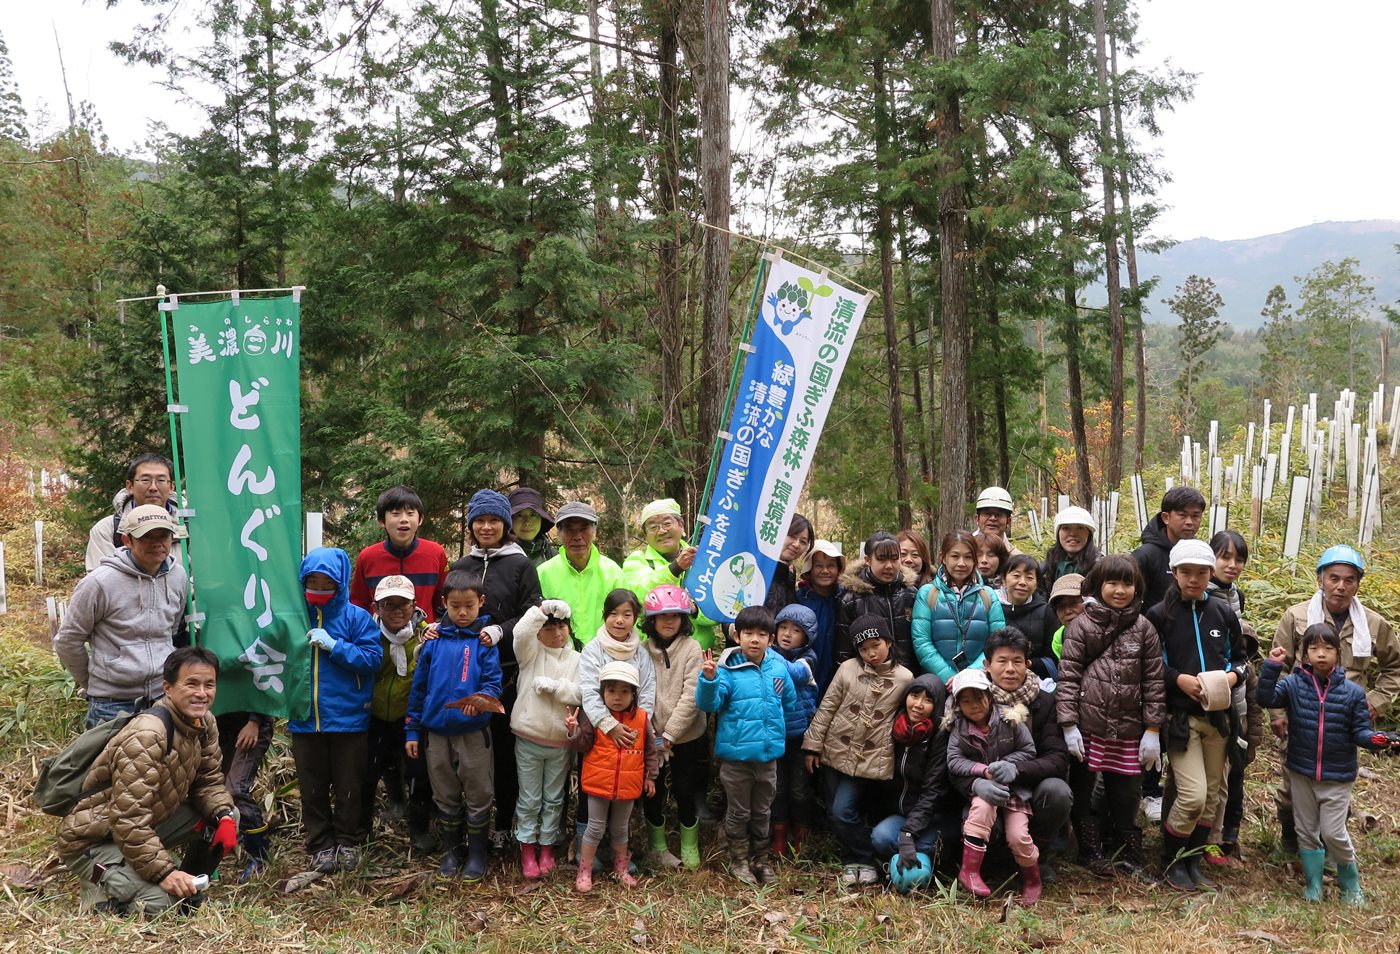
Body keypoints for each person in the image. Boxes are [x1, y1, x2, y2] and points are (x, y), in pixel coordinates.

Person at [56, 646, 237, 916]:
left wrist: (223, 816)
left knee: (227, 815)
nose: (202, 693)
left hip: (141, 826)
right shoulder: (147, 736)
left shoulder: (204, 723)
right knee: (161, 906)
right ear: (168, 687)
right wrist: (163, 872)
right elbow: (128, 817)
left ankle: (189, 884)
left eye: (209, 684)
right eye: (191, 684)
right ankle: (101, 891)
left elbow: (208, 781)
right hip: (94, 838)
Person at [1268, 544, 1400, 854]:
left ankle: (1327, 848)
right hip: (1302, 717)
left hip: (1344, 722)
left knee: (1335, 786)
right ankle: (1291, 842)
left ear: (1358, 584)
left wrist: (1374, 702)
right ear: (1320, 580)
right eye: (1333, 578)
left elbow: (1394, 667)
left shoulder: (1373, 624)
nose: (1341, 586)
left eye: (1349, 579)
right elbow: (1278, 667)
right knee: (1293, 786)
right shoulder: (1297, 617)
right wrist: (1277, 713)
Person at [1257, 627, 1394, 904]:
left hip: (1338, 775)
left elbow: (1360, 732)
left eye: (1328, 649)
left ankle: (1351, 884)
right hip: (1301, 771)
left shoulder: (1353, 693)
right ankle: (1314, 884)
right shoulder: (1294, 685)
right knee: (1306, 831)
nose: (1321, 654)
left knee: (1334, 833)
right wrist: (1272, 665)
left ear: (1338, 654)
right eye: (1314, 648)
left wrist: (1378, 739)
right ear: (1304, 654)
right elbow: (1265, 698)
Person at [1056, 556, 1165, 878]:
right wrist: (1069, 724)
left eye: (1127, 584)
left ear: (1137, 588)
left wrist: (1153, 729)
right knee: (1085, 788)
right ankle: (1090, 850)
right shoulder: (1081, 626)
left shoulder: (1144, 628)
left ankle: (1128, 852)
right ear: (1098, 586)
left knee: (1127, 791)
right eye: (1112, 583)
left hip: (1130, 727)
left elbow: (1154, 681)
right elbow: (1069, 676)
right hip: (1089, 725)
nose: (1120, 590)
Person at [1147, 539, 1246, 891]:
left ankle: (1191, 862)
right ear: (1173, 573)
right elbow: (1149, 663)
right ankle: (1171, 860)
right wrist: (1178, 679)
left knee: (1214, 793)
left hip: (1219, 719)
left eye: (1201, 572)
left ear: (1210, 573)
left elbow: (1241, 658)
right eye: (1186, 572)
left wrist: (1233, 677)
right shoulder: (1159, 615)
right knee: (1193, 794)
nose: (1194, 579)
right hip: (1180, 718)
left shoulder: (1222, 612)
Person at [449, 488, 542, 850]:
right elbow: (452, 609)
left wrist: (500, 629)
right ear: (471, 524)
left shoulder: (520, 565)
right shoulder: (462, 566)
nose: (487, 527)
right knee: (465, 751)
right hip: (464, 673)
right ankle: (466, 828)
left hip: (507, 673)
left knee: (504, 752)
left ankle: (504, 824)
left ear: (506, 524)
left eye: (494, 520)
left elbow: (534, 612)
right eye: (480, 520)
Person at [803, 614, 913, 887]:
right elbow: (828, 705)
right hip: (834, 748)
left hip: (867, 757)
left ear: (888, 641)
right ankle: (851, 859)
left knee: (843, 810)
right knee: (833, 810)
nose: (871, 653)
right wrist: (813, 745)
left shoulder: (904, 677)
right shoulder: (849, 668)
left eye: (876, 645)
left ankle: (865, 857)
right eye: (863, 649)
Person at [290, 547, 382, 873]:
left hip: (348, 718)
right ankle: (320, 844)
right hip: (304, 718)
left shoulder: (356, 618)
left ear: (340, 581)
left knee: (348, 786)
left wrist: (335, 646)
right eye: (311, 580)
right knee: (312, 787)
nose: (318, 587)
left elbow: (372, 659)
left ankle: (348, 841)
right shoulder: (294, 615)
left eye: (326, 582)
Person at [56, 505, 189, 729]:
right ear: (127, 540)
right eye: (147, 536)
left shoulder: (178, 576)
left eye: (163, 534)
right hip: (111, 705)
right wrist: (93, 683)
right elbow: (68, 639)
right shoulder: (99, 583)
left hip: (162, 699)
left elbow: (172, 629)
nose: (157, 542)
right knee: (111, 765)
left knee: (163, 765)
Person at [406, 573, 502, 880]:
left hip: (472, 732)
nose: (462, 613)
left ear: (480, 603)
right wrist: (412, 729)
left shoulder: (484, 642)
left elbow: (492, 683)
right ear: (444, 603)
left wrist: (482, 701)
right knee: (444, 792)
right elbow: (418, 688)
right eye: (456, 606)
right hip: (436, 732)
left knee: (478, 791)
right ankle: (451, 850)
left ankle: (476, 853)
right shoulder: (433, 642)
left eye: (469, 606)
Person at [697, 606, 799, 885]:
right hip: (736, 757)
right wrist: (708, 680)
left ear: (772, 638)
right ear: (736, 635)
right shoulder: (727, 669)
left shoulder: (778, 668)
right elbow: (710, 704)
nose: (755, 639)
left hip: (767, 756)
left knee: (763, 810)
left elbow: (789, 703)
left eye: (762, 634)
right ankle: (739, 860)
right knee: (739, 811)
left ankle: (761, 861)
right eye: (748, 633)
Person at [945, 668, 1042, 906]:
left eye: (979, 697)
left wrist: (1009, 765)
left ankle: (1032, 880)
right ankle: (970, 871)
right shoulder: (959, 729)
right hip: (983, 789)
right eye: (966, 701)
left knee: (1018, 835)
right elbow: (954, 760)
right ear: (958, 705)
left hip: (1013, 791)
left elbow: (1029, 750)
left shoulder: (1010, 719)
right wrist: (982, 772)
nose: (974, 705)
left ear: (989, 696)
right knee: (980, 810)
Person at [982, 630, 1072, 879]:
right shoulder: (973, 699)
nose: (1010, 669)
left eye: (1017, 661)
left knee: (1057, 791)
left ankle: (1039, 855)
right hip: (985, 785)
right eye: (1002, 661)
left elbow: (1057, 757)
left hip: (1030, 786)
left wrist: (1017, 771)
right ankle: (992, 858)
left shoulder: (1044, 702)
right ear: (987, 665)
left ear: (1028, 664)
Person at [566, 661, 659, 892]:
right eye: (611, 691)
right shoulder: (597, 719)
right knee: (595, 827)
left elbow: (650, 751)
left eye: (624, 691)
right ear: (603, 693)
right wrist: (573, 731)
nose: (617, 697)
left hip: (628, 784)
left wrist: (650, 776)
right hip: (599, 783)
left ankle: (621, 869)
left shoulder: (641, 719)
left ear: (633, 694)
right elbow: (583, 745)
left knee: (620, 828)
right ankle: (585, 870)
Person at [361, 574, 435, 853]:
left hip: (412, 719)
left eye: (402, 604)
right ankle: (362, 831)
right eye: (388, 605)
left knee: (417, 774)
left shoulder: (427, 635)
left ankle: (419, 829)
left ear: (414, 605)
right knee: (368, 772)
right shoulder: (366, 634)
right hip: (375, 715)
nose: (396, 611)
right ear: (376, 608)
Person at [1203, 530, 1263, 867]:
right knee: (1213, 778)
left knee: (1234, 772)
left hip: (1237, 695)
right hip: (1209, 698)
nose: (1232, 565)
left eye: (1239, 559)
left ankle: (1228, 838)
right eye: (1225, 557)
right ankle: (1205, 840)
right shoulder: (1201, 595)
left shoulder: (1234, 595)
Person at [511, 600, 581, 879]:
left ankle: (547, 849)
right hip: (529, 737)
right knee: (529, 798)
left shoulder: (577, 659)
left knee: (554, 799)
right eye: (549, 628)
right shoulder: (530, 654)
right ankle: (527, 850)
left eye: (561, 626)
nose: (556, 634)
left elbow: (581, 694)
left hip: (560, 742)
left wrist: (556, 688)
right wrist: (540, 612)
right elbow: (520, 634)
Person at [639, 585, 706, 870]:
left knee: (685, 789)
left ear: (684, 619)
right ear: (651, 620)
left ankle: (689, 844)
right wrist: (653, 733)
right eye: (662, 615)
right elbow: (640, 691)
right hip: (651, 735)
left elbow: (692, 695)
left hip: (687, 735)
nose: (668, 621)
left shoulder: (692, 649)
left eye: (675, 615)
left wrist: (670, 734)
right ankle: (657, 845)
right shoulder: (642, 651)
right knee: (652, 790)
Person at [871, 674, 950, 890]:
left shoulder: (941, 735)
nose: (918, 705)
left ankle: (922, 867)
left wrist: (907, 834)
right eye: (914, 696)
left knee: (923, 844)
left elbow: (932, 792)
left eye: (928, 700)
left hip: (934, 816)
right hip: (902, 812)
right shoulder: (895, 726)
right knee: (880, 837)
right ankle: (906, 864)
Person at [622, 498, 719, 649]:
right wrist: (675, 569)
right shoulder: (636, 561)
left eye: (667, 523)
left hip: (698, 655)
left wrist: (694, 610)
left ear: (681, 526)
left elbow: (716, 612)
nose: (661, 531)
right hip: (653, 654)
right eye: (653, 527)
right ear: (645, 534)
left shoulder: (704, 560)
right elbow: (638, 601)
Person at [912, 529, 1005, 682]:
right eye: (955, 556)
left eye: (968, 557)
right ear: (943, 557)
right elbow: (921, 643)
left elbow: (997, 642)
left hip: (978, 680)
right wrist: (948, 676)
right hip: (938, 681)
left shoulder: (987, 595)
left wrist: (970, 675)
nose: (961, 563)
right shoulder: (928, 593)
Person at [349, 485, 449, 618]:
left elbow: (444, 603)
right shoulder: (367, 557)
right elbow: (358, 604)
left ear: (420, 519)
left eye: (410, 513)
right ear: (382, 520)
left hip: (425, 636)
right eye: (395, 514)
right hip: (378, 637)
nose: (404, 519)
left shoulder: (435, 553)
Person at [768, 604, 820, 859]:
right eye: (783, 628)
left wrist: (765, 649)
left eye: (796, 630)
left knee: (799, 789)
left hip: (801, 736)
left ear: (807, 636)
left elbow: (793, 673)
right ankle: (779, 834)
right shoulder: (766, 655)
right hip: (774, 734)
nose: (787, 634)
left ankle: (801, 834)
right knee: (776, 788)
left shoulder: (808, 660)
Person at [536, 501, 623, 648]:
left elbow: (627, 618)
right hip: (558, 660)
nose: (577, 537)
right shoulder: (543, 573)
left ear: (594, 531)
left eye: (584, 529)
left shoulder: (612, 572)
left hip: (604, 657)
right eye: (570, 530)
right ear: (559, 534)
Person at [84, 453, 179, 573]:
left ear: (171, 487)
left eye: (161, 480)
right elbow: (100, 581)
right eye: (145, 480)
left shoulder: (190, 526)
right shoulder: (107, 529)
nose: (153, 487)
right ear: (130, 486)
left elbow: (203, 577)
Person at [836, 531, 917, 667]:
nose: (889, 566)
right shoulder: (851, 599)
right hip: (869, 680)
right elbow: (843, 653)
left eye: (894, 558)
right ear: (868, 560)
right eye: (882, 559)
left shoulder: (911, 594)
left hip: (908, 678)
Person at [216, 703, 275, 882]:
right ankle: (213, 854)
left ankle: (259, 856)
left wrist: (255, 721)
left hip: (253, 725)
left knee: (236, 789)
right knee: (214, 789)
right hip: (219, 724)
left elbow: (266, 680)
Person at [1132, 486, 1205, 616]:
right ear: (1166, 517)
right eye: (1182, 515)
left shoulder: (1201, 555)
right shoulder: (1145, 556)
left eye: (1195, 516)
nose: (1190, 522)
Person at [795, 539, 845, 691]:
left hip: (837, 669)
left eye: (831, 565)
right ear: (809, 569)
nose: (825, 571)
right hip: (807, 667)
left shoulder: (845, 598)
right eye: (819, 566)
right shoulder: (799, 599)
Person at [996, 554, 1057, 678]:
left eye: (1029, 578)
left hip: (1035, 679)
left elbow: (1053, 658)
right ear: (1003, 580)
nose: (1022, 582)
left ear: (1036, 584)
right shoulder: (990, 606)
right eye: (1016, 576)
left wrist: (1026, 664)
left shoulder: (1046, 611)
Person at [1040, 506, 1100, 597]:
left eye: (1080, 528)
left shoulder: (1101, 568)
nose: (1072, 534)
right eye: (1066, 528)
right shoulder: (1045, 569)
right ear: (1058, 533)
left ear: (1089, 533)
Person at [764, 513, 813, 612]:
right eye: (792, 536)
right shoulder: (760, 564)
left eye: (803, 542)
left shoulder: (790, 572)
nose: (796, 545)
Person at [509, 487, 558, 567]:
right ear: (510, 521)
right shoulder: (496, 557)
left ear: (541, 519)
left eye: (533, 515)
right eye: (519, 516)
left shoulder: (554, 558)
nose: (527, 523)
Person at [972, 486, 1021, 556]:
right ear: (977, 518)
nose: (993, 518)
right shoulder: (963, 551)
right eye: (987, 513)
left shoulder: (1017, 560)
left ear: (1009, 521)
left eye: (999, 514)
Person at [1047, 573, 1086, 660]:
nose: (1068, 611)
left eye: (1073, 603)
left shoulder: (1107, 630)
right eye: (1061, 607)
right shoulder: (1059, 638)